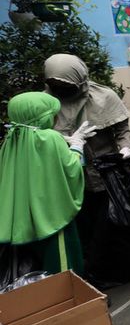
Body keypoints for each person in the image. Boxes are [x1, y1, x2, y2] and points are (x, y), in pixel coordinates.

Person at [43, 53, 130, 253]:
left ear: (80, 79)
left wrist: (125, 148)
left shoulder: (104, 96)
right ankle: (93, 264)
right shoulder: (47, 103)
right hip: (71, 179)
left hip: (106, 173)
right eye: (56, 85)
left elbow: (122, 129)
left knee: (112, 220)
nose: (62, 90)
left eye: (66, 85)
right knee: (85, 225)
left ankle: (117, 260)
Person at [0, 92, 90, 275]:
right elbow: (71, 169)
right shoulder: (50, 138)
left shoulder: (10, 140)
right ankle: (76, 300)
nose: (56, 117)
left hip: (22, 221)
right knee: (64, 267)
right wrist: (77, 147)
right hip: (52, 217)